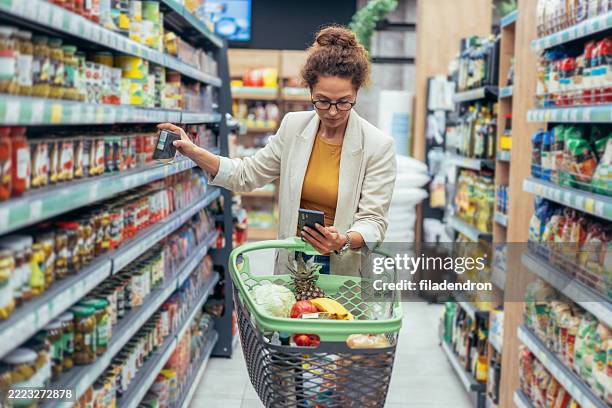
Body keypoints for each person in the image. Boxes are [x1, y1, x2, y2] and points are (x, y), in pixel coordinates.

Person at [157, 25, 396, 276]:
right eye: (323, 101)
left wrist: (344, 239)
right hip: (293, 261)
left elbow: (374, 222)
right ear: (310, 91)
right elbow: (246, 175)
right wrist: (194, 151)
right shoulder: (294, 127)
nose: (333, 111)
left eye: (344, 102)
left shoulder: (377, 146)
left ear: (356, 92)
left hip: (343, 265)